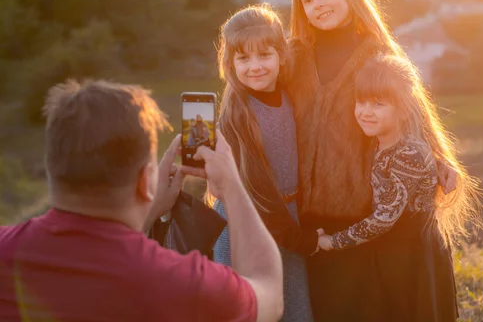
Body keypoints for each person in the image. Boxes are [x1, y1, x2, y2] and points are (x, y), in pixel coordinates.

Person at [0, 79, 283, 322]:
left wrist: (150, 210)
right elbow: (268, 295)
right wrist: (232, 186)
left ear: (52, 169)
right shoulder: (182, 283)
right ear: (145, 180)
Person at [284, 0, 462, 320]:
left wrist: (440, 158)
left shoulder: (376, 51)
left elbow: (411, 112)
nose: (319, 3)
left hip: (362, 212)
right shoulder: (295, 57)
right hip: (308, 217)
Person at [315, 54, 483, 320]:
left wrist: (332, 242)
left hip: (412, 255)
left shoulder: (409, 154)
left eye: (378, 104)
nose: (365, 111)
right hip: (391, 253)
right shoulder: (377, 142)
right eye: (361, 102)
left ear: (403, 110)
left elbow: (384, 218)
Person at [209, 4, 316, 322]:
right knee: (249, 312)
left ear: (281, 56)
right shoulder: (237, 114)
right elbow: (255, 186)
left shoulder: (289, 95)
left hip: (287, 219)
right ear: (230, 63)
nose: (255, 66)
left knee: (296, 311)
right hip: (245, 224)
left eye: (264, 55)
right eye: (243, 58)